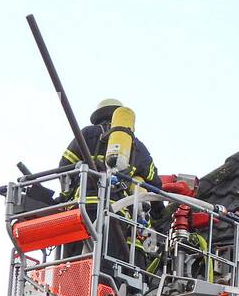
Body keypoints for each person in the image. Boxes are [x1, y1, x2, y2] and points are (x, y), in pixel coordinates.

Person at [57, 99, 161, 259]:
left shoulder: (87, 133)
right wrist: (159, 212)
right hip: (116, 212)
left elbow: (64, 166)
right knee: (107, 262)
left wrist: (64, 197)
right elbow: (155, 183)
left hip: (82, 208)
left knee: (72, 264)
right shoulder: (138, 146)